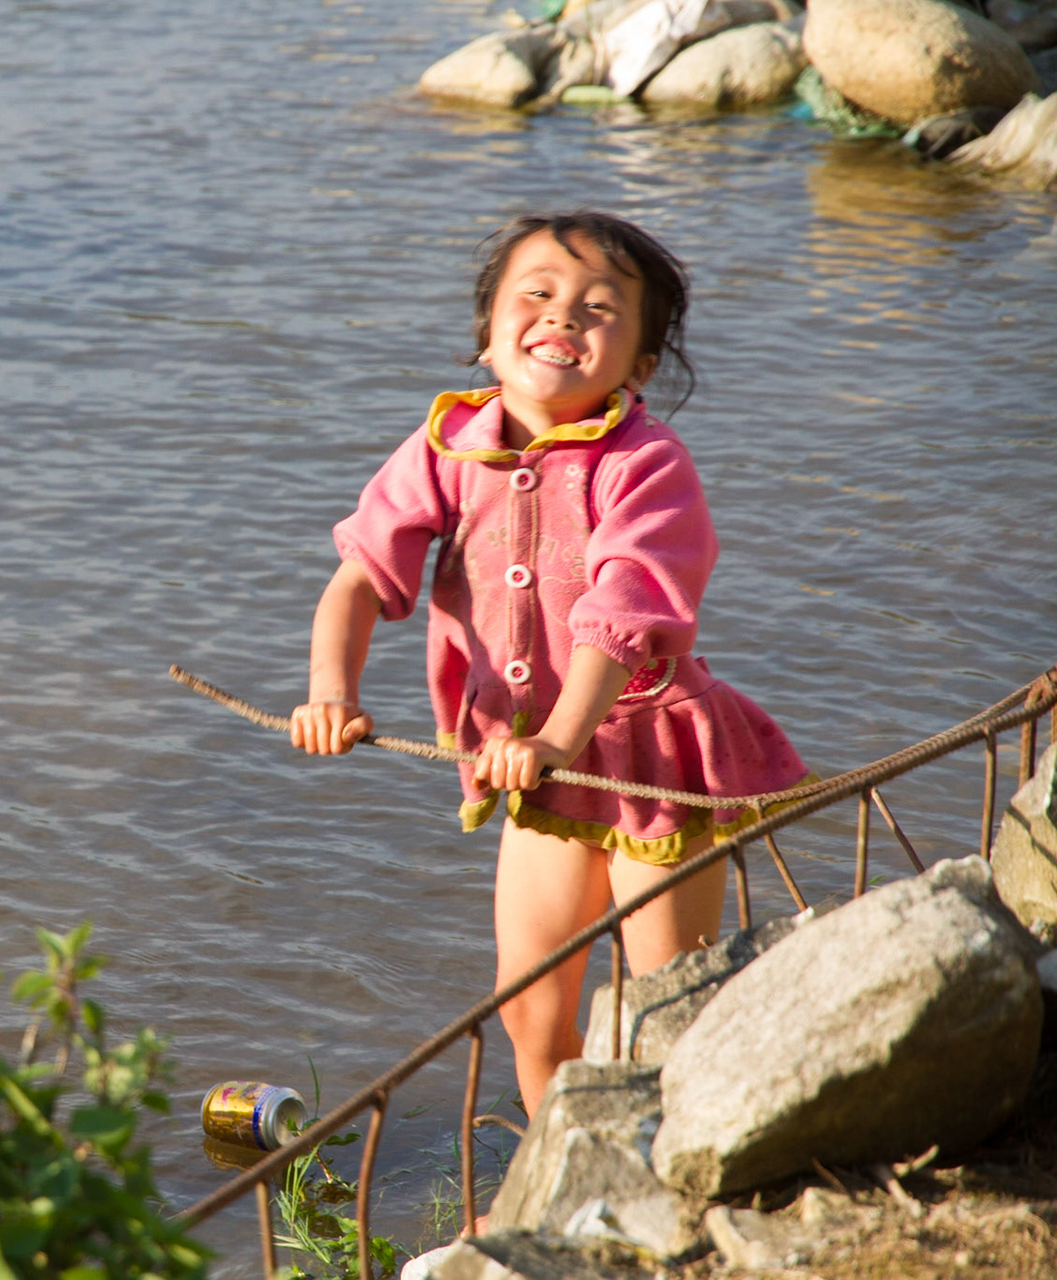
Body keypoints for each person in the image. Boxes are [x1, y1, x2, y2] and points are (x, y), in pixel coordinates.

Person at [289, 212, 808, 1119]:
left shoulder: (645, 463)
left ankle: (691, 1156)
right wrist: (332, 694)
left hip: (651, 757)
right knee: (531, 1006)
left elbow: (621, 616)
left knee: (667, 1003)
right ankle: (556, 1173)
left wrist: (565, 737)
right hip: (534, 765)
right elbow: (359, 582)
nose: (562, 317)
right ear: (489, 333)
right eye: (536, 295)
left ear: (642, 366)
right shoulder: (446, 451)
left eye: (599, 308)